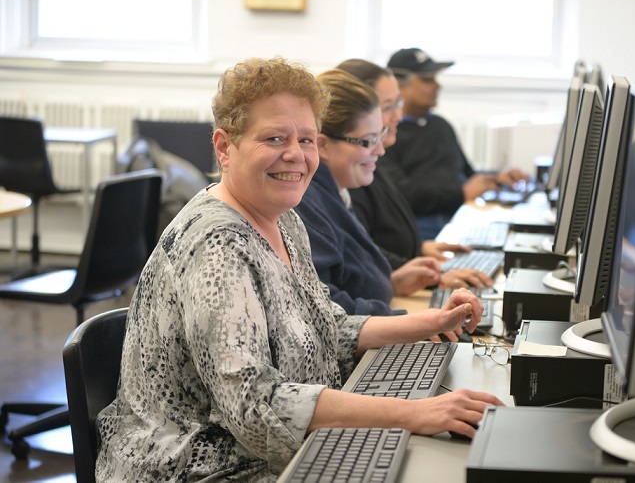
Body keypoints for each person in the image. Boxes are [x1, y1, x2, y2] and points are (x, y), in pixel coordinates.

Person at [95, 57, 504, 482]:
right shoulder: (216, 245)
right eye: (274, 138)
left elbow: (326, 325)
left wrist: (430, 322)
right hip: (196, 470)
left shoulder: (283, 219)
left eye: (307, 140)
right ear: (223, 147)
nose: (295, 154)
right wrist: (414, 413)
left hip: (262, 457)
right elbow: (254, 403)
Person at [294, 69, 447, 316]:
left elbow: (349, 280)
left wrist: (393, 282)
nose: (381, 151)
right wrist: (411, 323)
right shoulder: (305, 202)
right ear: (322, 145)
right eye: (368, 141)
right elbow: (327, 310)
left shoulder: (336, 192)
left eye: (380, 137)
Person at [338, 58, 494, 289]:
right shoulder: (348, 175)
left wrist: (419, 248)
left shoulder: (436, 127)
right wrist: (431, 277)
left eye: (397, 104)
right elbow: (356, 253)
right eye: (388, 106)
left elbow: (365, 245)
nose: (398, 116)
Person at [381, 47, 528, 240]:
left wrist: (496, 178)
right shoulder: (387, 133)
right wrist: (460, 194)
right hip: (422, 222)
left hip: (458, 211)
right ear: (399, 85)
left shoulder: (440, 125)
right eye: (427, 79)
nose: (437, 86)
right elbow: (399, 194)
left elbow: (466, 173)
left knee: (512, 234)